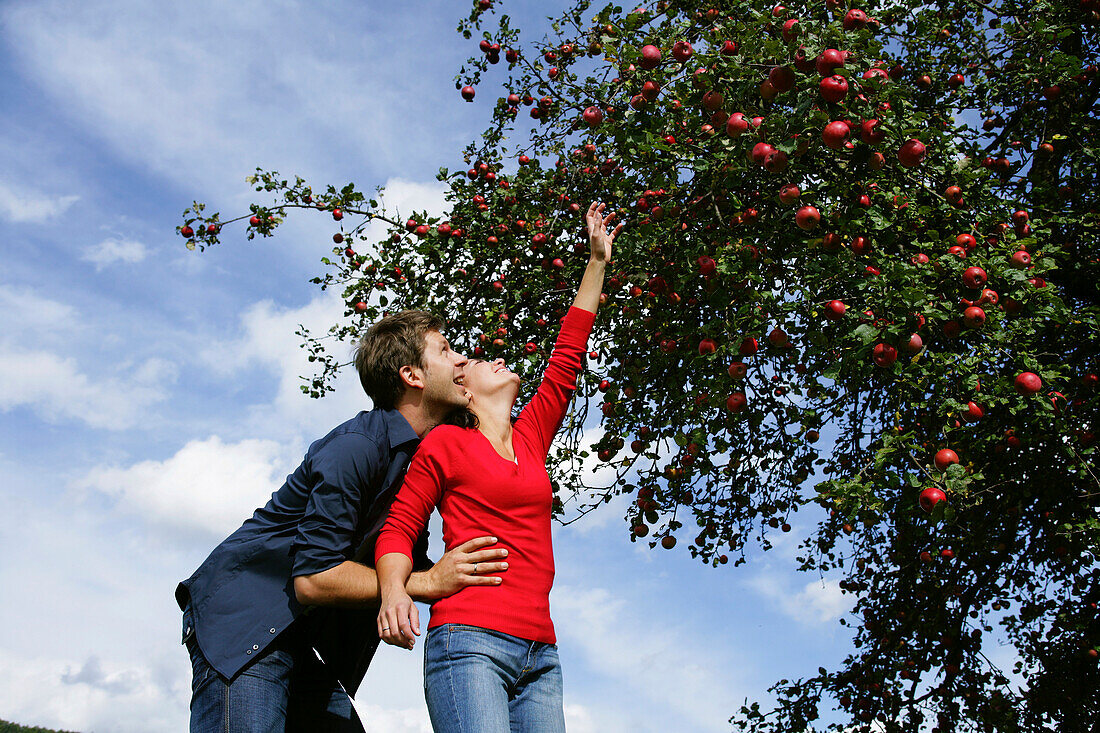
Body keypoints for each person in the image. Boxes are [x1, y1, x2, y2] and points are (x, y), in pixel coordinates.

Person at [175, 310, 510, 733]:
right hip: (244, 622)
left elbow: (410, 562)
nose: (461, 359)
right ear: (412, 375)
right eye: (445, 350)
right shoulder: (357, 446)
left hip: (298, 638)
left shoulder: (417, 465)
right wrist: (426, 583)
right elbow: (314, 576)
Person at [374, 201, 620, 732]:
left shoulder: (531, 438)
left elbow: (568, 354)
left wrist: (596, 262)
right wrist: (398, 589)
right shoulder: (445, 445)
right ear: (464, 389)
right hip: (470, 641)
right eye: (482, 362)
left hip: (541, 651)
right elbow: (399, 526)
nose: (496, 359)